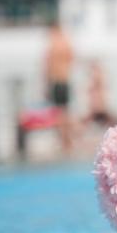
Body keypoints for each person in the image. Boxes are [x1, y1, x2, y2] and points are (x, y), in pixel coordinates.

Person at [44, 20, 74, 152]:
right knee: (65, 112)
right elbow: (72, 58)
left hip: (56, 81)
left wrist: (46, 84)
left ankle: (64, 141)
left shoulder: (52, 45)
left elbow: (47, 66)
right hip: (66, 79)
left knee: (58, 113)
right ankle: (67, 140)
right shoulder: (66, 43)